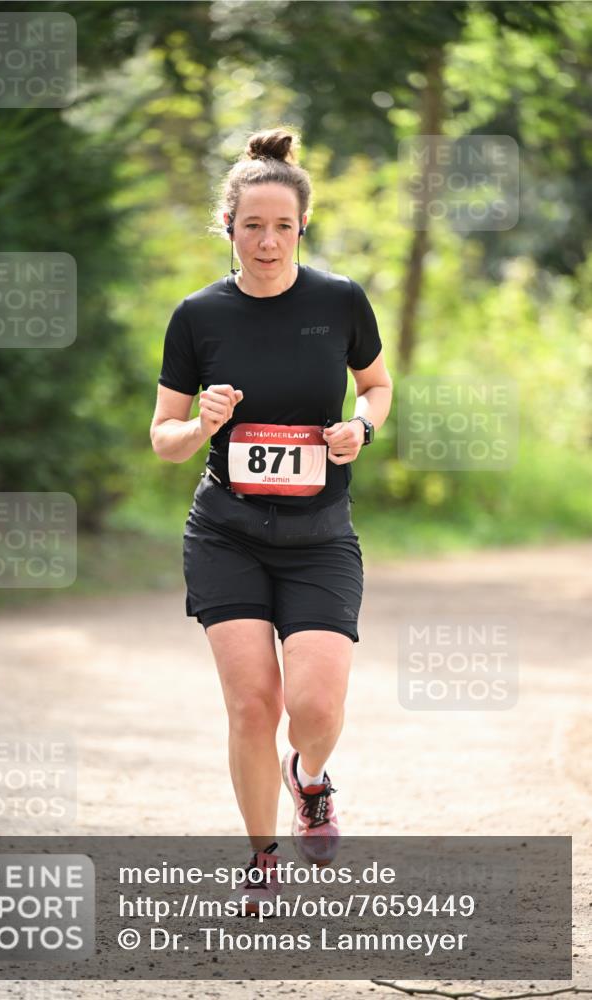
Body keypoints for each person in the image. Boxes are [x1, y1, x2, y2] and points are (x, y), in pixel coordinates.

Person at [150, 127, 393, 915]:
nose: (266, 239)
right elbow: (163, 438)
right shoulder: (195, 317)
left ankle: (310, 779)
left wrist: (363, 427)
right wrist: (203, 425)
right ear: (228, 227)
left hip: (320, 537)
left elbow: (378, 386)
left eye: (281, 225)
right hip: (226, 532)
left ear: (301, 228)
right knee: (254, 703)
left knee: (315, 710)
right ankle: (261, 855)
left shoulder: (338, 300)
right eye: (251, 224)